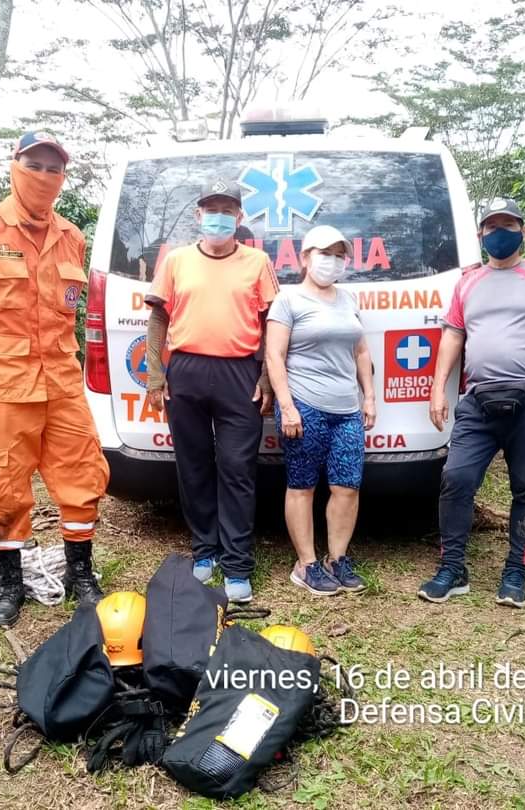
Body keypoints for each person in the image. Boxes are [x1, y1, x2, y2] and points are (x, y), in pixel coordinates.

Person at [0, 130, 110, 626]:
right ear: (15, 167)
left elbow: (68, 309)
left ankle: (80, 573)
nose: (44, 176)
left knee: (83, 473)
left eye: (54, 168)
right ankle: (10, 584)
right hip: (2, 385)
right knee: (2, 482)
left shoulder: (71, 236)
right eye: (35, 165)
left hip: (62, 380)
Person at [418, 197, 525, 608]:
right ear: (481, 234)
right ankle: (453, 569)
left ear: (523, 231)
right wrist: (437, 388)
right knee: (456, 479)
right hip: (477, 401)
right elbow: (453, 334)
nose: (500, 233)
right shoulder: (468, 282)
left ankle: (516, 571)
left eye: (509, 226)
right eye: (492, 227)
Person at [144, 179, 278, 603]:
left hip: (240, 373)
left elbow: (271, 323)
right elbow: (158, 319)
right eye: (211, 209)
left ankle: (237, 563)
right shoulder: (177, 261)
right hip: (186, 371)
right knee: (194, 465)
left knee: (237, 468)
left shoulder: (257, 262)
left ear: (239, 217)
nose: (218, 217)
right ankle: (205, 550)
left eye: (227, 210)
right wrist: (154, 374)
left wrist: (267, 376)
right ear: (198, 215)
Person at [264, 225, 375, 596]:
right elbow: (274, 356)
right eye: (324, 253)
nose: (333, 261)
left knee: (347, 487)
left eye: (339, 255)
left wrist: (369, 397)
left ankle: (336, 559)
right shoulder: (288, 300)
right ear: (305, 258)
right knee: (302, 486)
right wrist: (286, 406)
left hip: (347, 410)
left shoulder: (348, 300)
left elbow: (361, 351)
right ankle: (306, 564)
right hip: (304, 407)